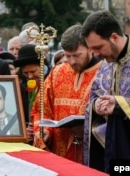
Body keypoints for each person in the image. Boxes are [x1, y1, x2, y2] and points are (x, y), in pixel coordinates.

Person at [30, 24, 103, 163]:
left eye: (76, 55)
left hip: (91, 155)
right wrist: (44, 131)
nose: (72, 61)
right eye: (67, 56)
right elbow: (41, 109)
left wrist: (89, 130)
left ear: (90, 49)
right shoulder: (57, 72)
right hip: (58, 154)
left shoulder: (105, 73)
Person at [81, 10, 130, 173]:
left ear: (114, 37)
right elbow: (92, 100)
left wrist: (119, 105)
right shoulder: (105, 64)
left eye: (98, 47)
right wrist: (96, 106)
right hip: (110, 152)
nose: (96, 54)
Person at [13, 44, 51, 143]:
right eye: (25, 73)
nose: (29, 76)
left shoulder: (53, 82)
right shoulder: (21, 86)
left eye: (33, 71)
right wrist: (23, 130)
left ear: (43, 66)